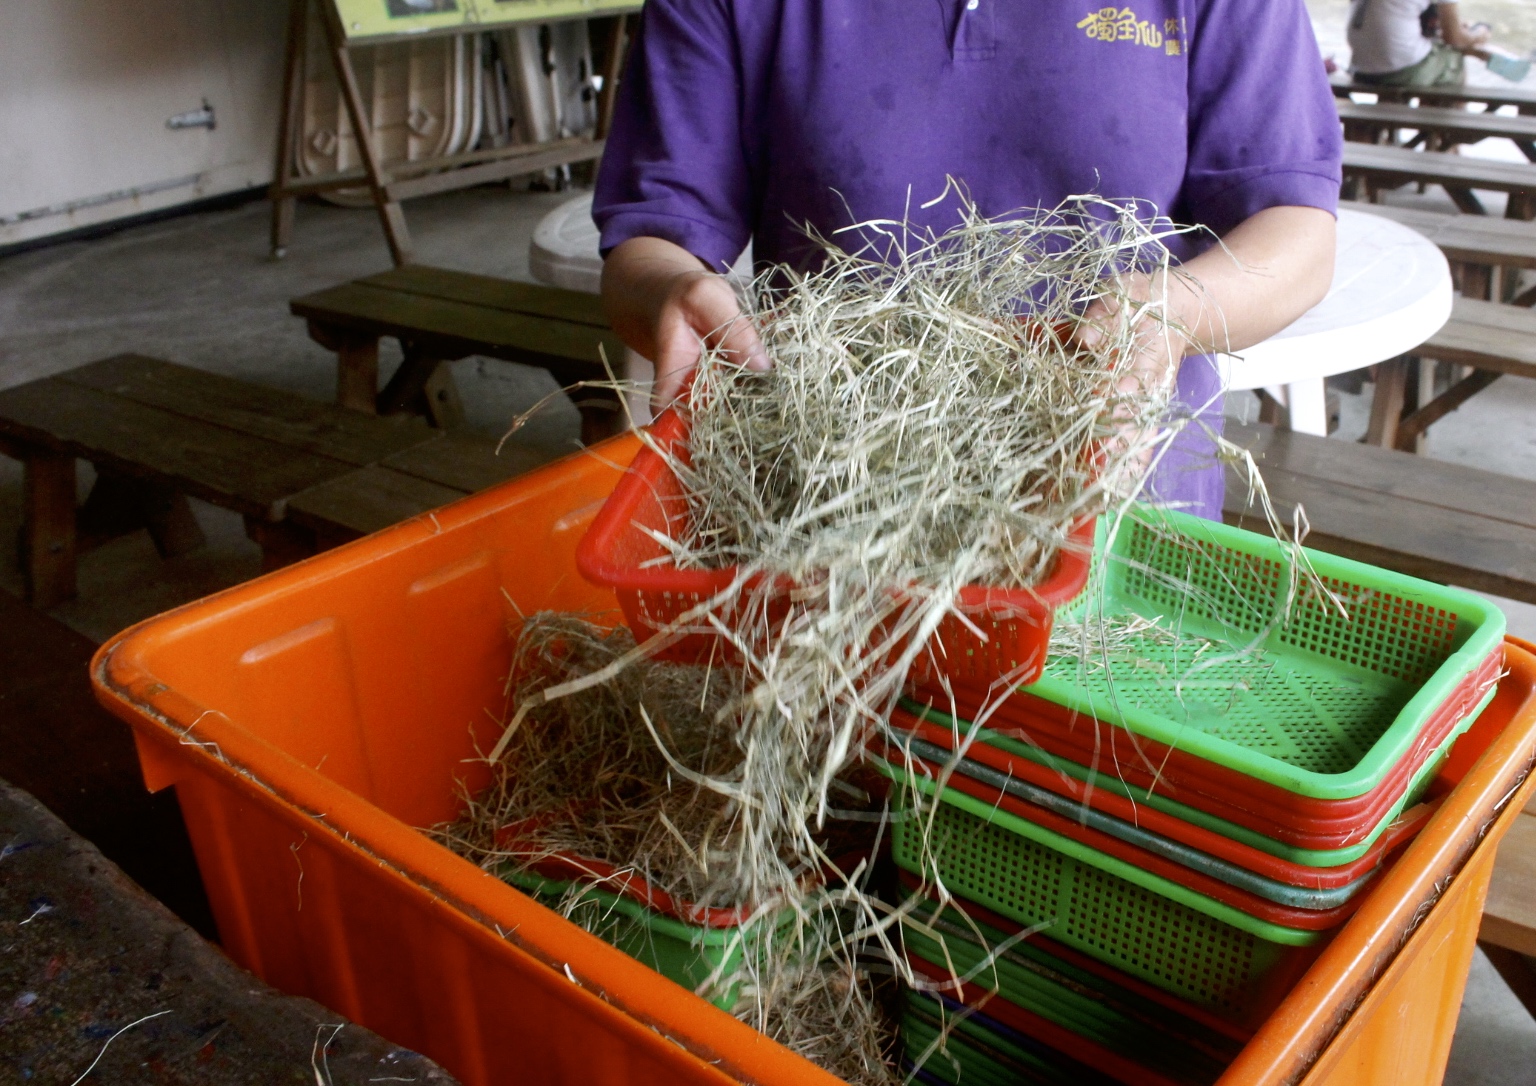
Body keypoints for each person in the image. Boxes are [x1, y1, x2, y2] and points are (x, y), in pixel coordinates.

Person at [593, 0, 1342, 522]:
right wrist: (672, 289)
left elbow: (1297, 233)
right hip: (829, 501)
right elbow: (653, 238)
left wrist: (1171, 310)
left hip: (1122, 497)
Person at [1348, 0, 1492, 87]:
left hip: (1360, 68)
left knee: (1427, 53)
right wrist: (1480, 34)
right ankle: (1450, 132)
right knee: (1454, 60)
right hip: (1397, 70)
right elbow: (1454, 38)